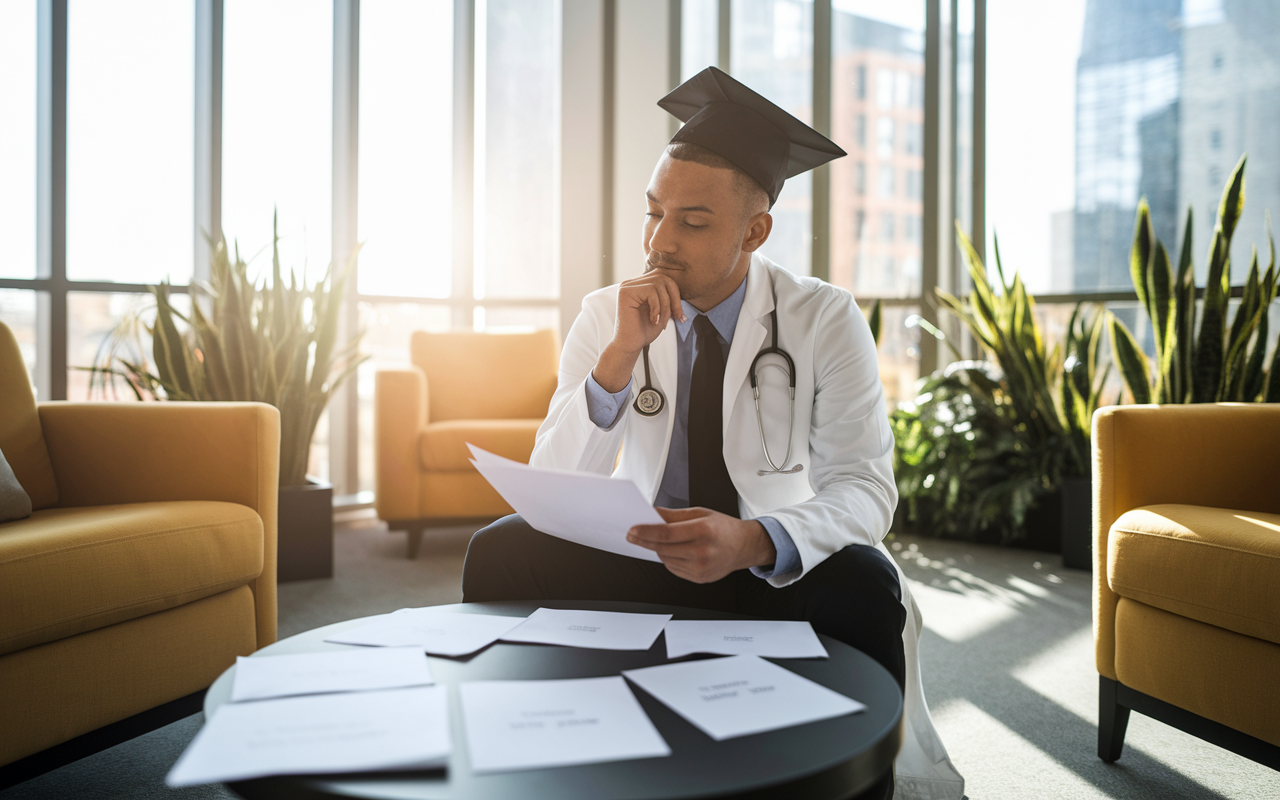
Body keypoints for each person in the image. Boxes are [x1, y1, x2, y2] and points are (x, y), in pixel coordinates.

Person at [462, 67, 963, 800]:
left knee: (867, 583)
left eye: (693, 222)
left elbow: (865, 487)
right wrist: (619, 359)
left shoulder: (825, 318)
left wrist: (755, 541)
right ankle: (526, 758)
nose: (660, 241)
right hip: (641, 554)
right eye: (652, 212)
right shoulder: (608, 313)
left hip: (762, 566)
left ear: (754, 230)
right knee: (501, 550)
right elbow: (553, 474)